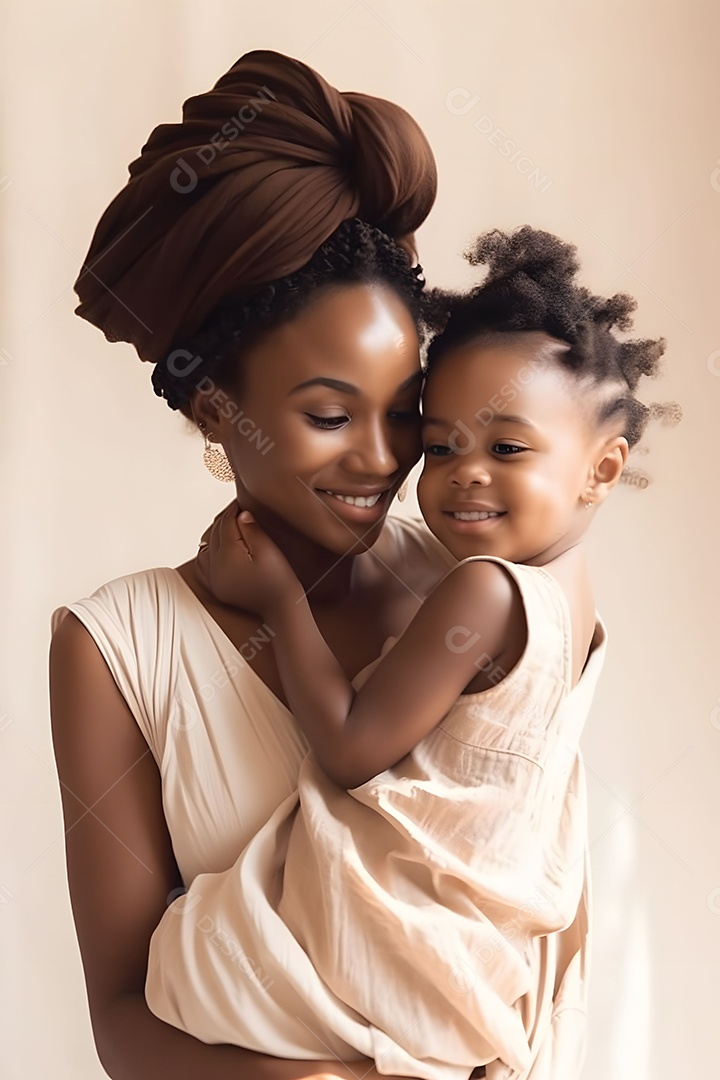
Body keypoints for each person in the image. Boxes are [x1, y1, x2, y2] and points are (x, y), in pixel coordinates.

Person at [142, 228, 676, 1079]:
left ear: (602, 469)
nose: (465, 473)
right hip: (477, 982)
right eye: (440, 445)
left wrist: (280, 601)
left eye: (506, 448)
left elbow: (352, 749)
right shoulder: (575, 605)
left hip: (397, 946)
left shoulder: (483, 591)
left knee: (187, 966)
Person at [49, 50, 453, 1080]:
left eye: (404, 411)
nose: (383, 459)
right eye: (329, 416)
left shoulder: (462, 591)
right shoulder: (118, 651)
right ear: (213, 409)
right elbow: (122, 1018)